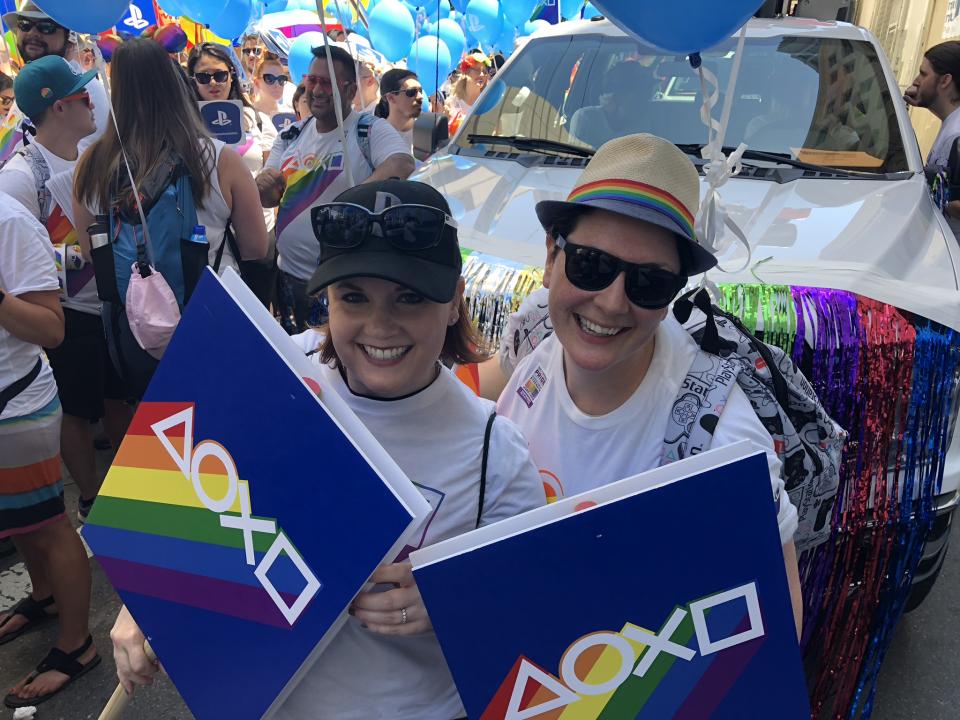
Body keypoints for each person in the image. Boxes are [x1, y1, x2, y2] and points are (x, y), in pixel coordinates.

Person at [108, 180, 546, 719]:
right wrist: (143, 600)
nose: (380, 326)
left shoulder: (494, 453)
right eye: (353, 297)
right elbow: (183, 496)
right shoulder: (273, 371)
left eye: (410, 297)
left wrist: (455, 599)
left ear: (455, 300)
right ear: (327, 299)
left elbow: (531, 614)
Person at [495, 134, 804, 636]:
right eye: (591, 265)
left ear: (673, 295)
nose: (613, 303)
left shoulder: (719, 442)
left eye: (649, 282)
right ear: (552, 257)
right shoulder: (537, 329)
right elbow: (472, 402)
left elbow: (776, 625)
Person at [0, 56, 132, 525]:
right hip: (67, 311)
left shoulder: (94, 155)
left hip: (113, 304)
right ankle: (94, 500)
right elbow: (16, 261)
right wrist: (77, 255)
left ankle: (132, 488)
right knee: (76, 411)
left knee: (119, 398)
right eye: (82, 95)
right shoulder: (19, 177)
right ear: (58, 108)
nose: (93, 102)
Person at [0, 198, 100, 709]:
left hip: (15, 404)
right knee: (17, 521)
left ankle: (77, 645)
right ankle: (43, 598)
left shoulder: (10, 221)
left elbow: (51, 328)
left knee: (44, 523)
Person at [73, 38, 267, 280]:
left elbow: (93, 252)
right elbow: (256, 248)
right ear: (176, 85)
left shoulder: (92, 164)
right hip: (212, 301)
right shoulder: (220, 158)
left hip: (135, 309)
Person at [257, 44, 414, 331]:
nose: (316, 90)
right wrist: (262, 184)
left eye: (327, 83)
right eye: (312, 81)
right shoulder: (291, 135)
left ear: (350, 91)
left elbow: (401, 164)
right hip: (288, 283)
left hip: (340, 287)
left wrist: (348, 207)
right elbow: (268, 198)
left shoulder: (367, 129)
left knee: (333, 370)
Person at [1, 1, 108, 151]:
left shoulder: (86, 91)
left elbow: (79, 165)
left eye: (46, 27)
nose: (32, 33)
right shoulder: (33, 86)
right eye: (24, 24)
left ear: (70, 40)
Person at [905, 41, 960, 231]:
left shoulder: (957, 134)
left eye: (923, 73)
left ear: (945, 81)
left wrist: (938, 201)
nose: (915, 81)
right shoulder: (951, 124)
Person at [568, 60, 654, 149]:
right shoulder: (585, 119)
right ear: (618, 95)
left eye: (647, 95)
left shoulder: (641, 124)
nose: (646, 101)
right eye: (640, 95)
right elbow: (574, 157)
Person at [375, 68, 423, 149]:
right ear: (390, 98)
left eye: (420, 91)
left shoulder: (427, 132)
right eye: (411, 92)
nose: (420, 97)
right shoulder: (376, 136)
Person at [445, 52, 489, 135]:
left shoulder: (487, 105)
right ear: (466, 73)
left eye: (484, 71)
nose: (482, 74)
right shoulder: (451, 103)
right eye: (477, 70)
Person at [251, 54, 292, 118]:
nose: (277, 85)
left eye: (281, 79)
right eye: (269, 79)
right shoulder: (249, 116)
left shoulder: (290, 114)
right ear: (257, 83)